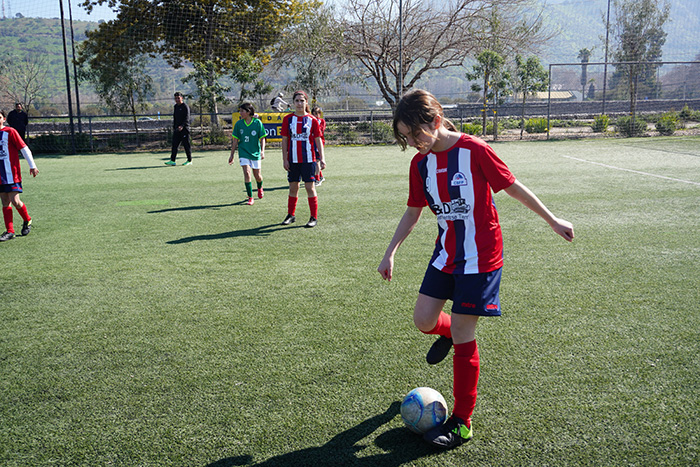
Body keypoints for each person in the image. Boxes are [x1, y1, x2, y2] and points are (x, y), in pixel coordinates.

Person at [377, 89, 574, 450]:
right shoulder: (419, 165)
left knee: (465, 331)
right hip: (446, 254)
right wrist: (390, 252)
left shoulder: (474, 150)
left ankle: (462, 422)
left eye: (416, 133)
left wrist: (552, 220)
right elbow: (413, 211)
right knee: (423, 320)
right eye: (406, 137)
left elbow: (512, 187)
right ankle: (449, 333)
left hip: (481, 258)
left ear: (436, 121)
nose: (413, 142)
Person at [280, 90, 326, 228]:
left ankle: (313, 217)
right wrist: (285, 159)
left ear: (306, 102)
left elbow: (318, 139)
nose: (299, 103)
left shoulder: (312, 120)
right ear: (293, 103)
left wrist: (322, 158)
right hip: (293, 160)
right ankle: (291, 215)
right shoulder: (288, 119)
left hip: (309, 159)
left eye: (302, 101)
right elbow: (284, 140)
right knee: (293, 188)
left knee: (309, 187)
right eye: (297, 101)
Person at [0, 109, 38, 241]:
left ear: (4, 119)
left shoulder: (10, 132)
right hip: (0, 176)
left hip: (11, 173)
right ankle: (10, 231)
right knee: (5, 202)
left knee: (15, 201)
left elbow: (24, 148)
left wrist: (32, 165)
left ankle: (27, 219)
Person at [229, 102, 266, 205]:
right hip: (243, 152)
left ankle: (260, 187)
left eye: (242, 111)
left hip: (255, 152)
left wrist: (262, 151)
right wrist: (231, 155)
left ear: (248, 112)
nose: (240, 113)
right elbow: (235, 141)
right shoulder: (238, 124)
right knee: (247, 173)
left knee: (257, 175)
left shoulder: (257, 123)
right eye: (239, 111)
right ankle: (250, 197)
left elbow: (262, 138)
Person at [165, 92, 192, 166]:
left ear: (181, 98)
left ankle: (189, 160)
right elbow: (175, 118)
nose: (177, 100)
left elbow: (187, 118)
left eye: (178, 98)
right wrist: (174, 127)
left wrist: (182, 126)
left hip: (184, 129)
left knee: (186, 145)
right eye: (175, 98)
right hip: (177, 130)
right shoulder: (175, 107)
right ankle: (172, 160)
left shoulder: (185, 106)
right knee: (174, 145)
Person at [311, 105, 326, 186]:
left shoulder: (321, 121)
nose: (316, 115)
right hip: (311, 143)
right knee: (313, 161)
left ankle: (317, 179)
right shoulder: (310, 120)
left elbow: (320, 131)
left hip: (318, 144)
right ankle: (321, 176)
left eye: (317, 113)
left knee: (317, 161)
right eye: (314, 113)